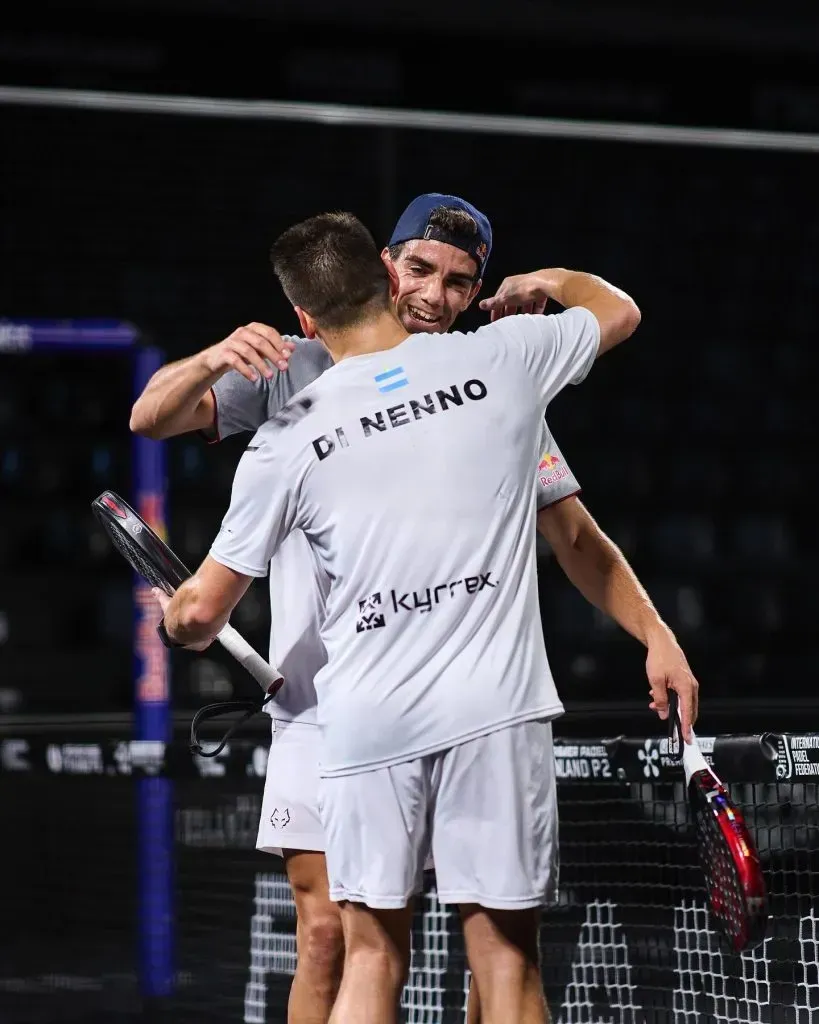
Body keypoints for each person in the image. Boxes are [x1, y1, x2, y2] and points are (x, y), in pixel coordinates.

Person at [131, 195, 698, 1024]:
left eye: (461, 283)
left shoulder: (495, 377)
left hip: (419, 706)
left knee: (461, 955)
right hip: (327, 713)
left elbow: (575, 538)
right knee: (332, 938)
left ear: (476, 295)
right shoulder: (292, 376)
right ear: (381, 268)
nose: (435, 296)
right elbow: (151, 416)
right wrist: (216, 356)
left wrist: (655, 632)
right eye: (420, 271)